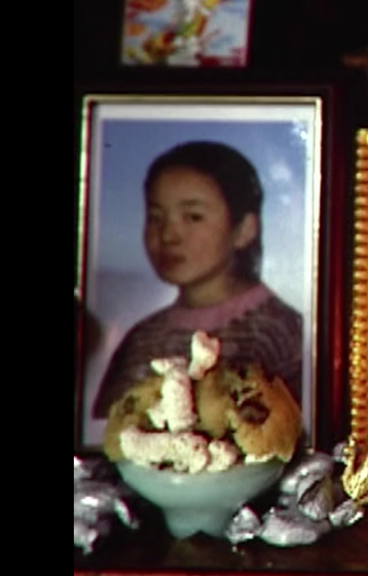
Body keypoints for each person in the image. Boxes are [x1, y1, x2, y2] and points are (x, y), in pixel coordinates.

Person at [91, 140, 304, 419]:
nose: (169, 235)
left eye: (193, 217)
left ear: (244, 228)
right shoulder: (140, 338)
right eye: (156, 217)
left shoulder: (280, 331)